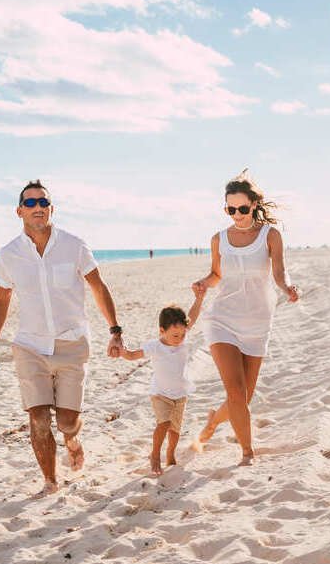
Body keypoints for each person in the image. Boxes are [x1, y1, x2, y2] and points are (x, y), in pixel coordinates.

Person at [0, 180, 124, 495]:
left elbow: (98, 287)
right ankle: (50, 482)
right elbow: (2, 299)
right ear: (19, 211)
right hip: (29, 345)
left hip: (72, 343)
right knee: (38, 419)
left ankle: (72, 439)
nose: (37, 208)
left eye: (43, 203)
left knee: (67, 422)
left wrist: (115, 329)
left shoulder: (74, 245)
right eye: (30, 203)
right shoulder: (9, 254)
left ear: (51, 209)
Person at [191, 170, 299, 465]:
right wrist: (203, 282)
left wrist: (287, 287)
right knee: (236, 393)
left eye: (241, 208)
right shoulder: (219, 239)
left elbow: (278, 272)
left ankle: (213, 421)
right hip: (222, 319)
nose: (236, 214)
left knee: (244, 398)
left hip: (257, 323)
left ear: (253, 205)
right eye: (230, 209)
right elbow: (216, 274)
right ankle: (247, 453)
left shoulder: (270, 236)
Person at [119, 289, 205, 476]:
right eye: (175, 335)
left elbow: (192, 316)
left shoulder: (181, 337)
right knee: (164, 424)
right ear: (162, 331)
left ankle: (170, 453)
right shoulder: (155, 347)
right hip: (160, 394)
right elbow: (134, 355)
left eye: (182, 334)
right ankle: (155, 454)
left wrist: (199, 298)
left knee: (175, 431)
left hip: (180, 394)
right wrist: (122, 351)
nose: (180, 338)